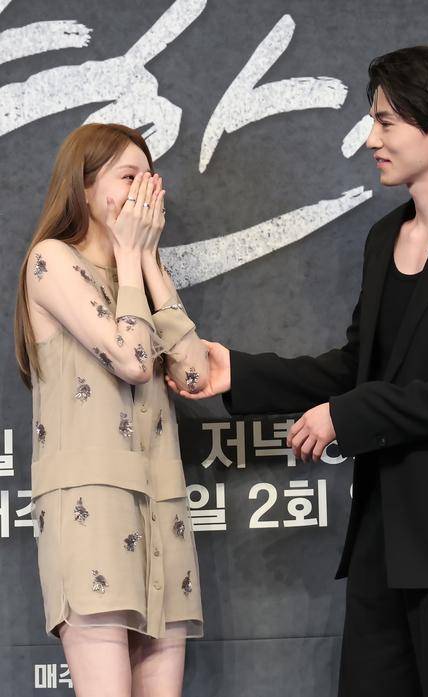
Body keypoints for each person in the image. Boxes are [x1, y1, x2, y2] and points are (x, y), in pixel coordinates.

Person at [166, 46, 428, 696]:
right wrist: (242, 373)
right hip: (383, 536)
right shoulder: (383, 239)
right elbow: (358, 366)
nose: (370, 139)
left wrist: (346, 417)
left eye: (386, 122)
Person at [14, 123, 209, 697]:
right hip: (90, 502)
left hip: (161, 501)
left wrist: (146, 265)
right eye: (128, 177)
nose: (145, 192)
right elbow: (133, 359)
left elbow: (194, 374)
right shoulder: (52, 260)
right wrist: (129, 256)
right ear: (84, 185)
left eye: (150, 178)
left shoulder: (138, 275)